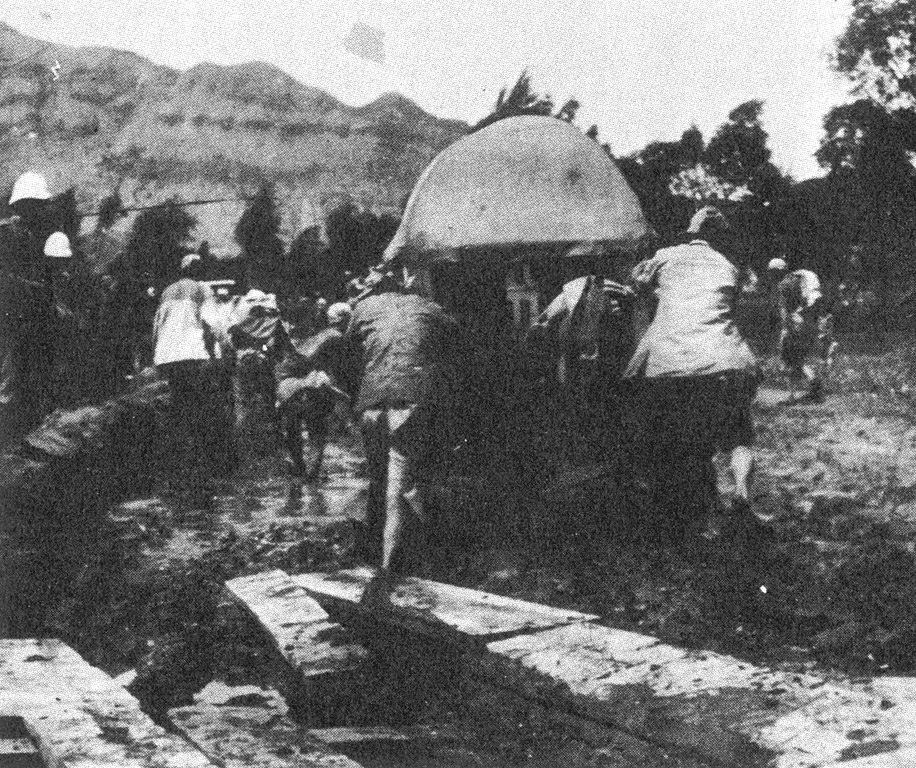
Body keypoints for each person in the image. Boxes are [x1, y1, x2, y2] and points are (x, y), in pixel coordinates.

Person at [623, 206, 759, 542]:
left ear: (691, 233)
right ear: (718, 237)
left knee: (685, 442)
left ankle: (696, 516)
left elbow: (636, 288)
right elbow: (731, 310)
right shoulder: (727, 266)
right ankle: (741, 493)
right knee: (739, 435)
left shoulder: (664, 257)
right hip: (724, 359)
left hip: (670, 363)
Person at [348, 266, 457, 573]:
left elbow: (350, 353)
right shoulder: (431, 309)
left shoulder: (363, 309)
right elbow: (454, 349)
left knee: (379, 479)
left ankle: (373, 551)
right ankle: (393, 563)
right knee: (400, 484)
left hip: (371, 401)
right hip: (411, 399)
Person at [0, 171, 71, 443]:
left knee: (27, 377)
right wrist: (36, 290)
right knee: (9, 380)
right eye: (37, 205)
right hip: (9, 316)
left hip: (26, 316)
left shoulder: (31, 235)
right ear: (23, 205)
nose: (41, 211)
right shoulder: (7, 233)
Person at [152, 253, 218, 508]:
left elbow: (157, 326)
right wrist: (220, 352)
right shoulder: (202, 290)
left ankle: (176, 468)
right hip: (192, 355)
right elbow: (213, 324)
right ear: (198, 270)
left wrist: (156, 354)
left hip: (168, 357)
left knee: (177, 409)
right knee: (197, 411)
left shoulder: (167, 291)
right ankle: (198, 470)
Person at [275, 302, 353, 479]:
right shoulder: (336, 337)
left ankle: (299, 467)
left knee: (293, 427)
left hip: (288, 385)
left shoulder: (319, 335)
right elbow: (338, 369)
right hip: (311, 384)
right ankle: (311, 472)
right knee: (316, 429)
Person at [767, 258, 835, 403]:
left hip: (794, 324)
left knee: (788, 359)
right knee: (797, 359)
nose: (770, 276)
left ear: (776, 272)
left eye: (771, 272)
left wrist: (785, 329)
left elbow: (784, 310)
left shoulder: (783, 284)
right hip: (807, 322)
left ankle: (793, 395)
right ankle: (814, 385)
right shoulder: (798, 278)